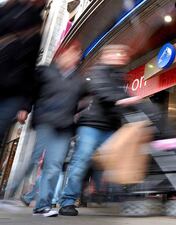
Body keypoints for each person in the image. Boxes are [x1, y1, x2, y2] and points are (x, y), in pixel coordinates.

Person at [58, 45, 133, 216]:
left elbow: (125, 98)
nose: (121, 56)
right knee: (81, 161)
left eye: (122, 53)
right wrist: (120, 100)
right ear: (106, 55)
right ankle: (68, 201)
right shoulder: (97, 71)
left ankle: (117, 198)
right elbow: (102, 90)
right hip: (91, 125)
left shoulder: (121, 76)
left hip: (111, 127)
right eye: (117, 53)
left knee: (115, 163)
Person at [21, 42, 83, 217]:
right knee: (35, 161)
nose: (74, 58)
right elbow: (32, 91)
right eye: (71, 53)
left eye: (77, 56)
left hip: (63, 128)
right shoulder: (45, 72)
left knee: (53, 167)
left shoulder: (77, 80)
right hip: (45, 122)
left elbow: (81, 100)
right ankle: (22, 191)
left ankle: (42, 205)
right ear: (61, 54)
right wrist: (25, 107)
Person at [0, 0, 45, 153]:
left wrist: (25, 104)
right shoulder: (7, 10)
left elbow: (30, 68)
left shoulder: (37, 27)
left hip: (14, 93)